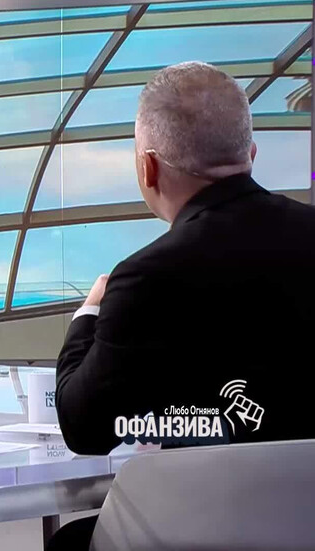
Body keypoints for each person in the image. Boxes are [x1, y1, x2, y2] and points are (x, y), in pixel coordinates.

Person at [48, 62, 315, 548]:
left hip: (209, 532)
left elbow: (84, 429)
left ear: (147, 168)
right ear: (251, 155)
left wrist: (87, 316)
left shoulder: (146, 278)